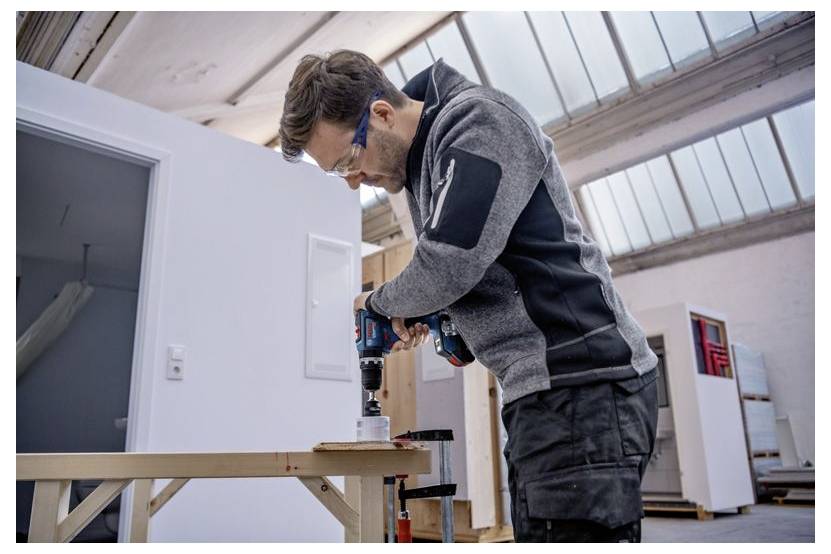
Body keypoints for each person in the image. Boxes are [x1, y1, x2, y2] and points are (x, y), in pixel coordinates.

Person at [278, 50, 658, 543]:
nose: (353, 181)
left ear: (383, 114)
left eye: (350, 160)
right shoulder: (424, 164)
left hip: (580, 380)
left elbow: (449, 263)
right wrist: (433, 308)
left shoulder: (477, 122)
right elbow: (480, 265)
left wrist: (378, 304)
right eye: (338, 172)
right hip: (546, 391)